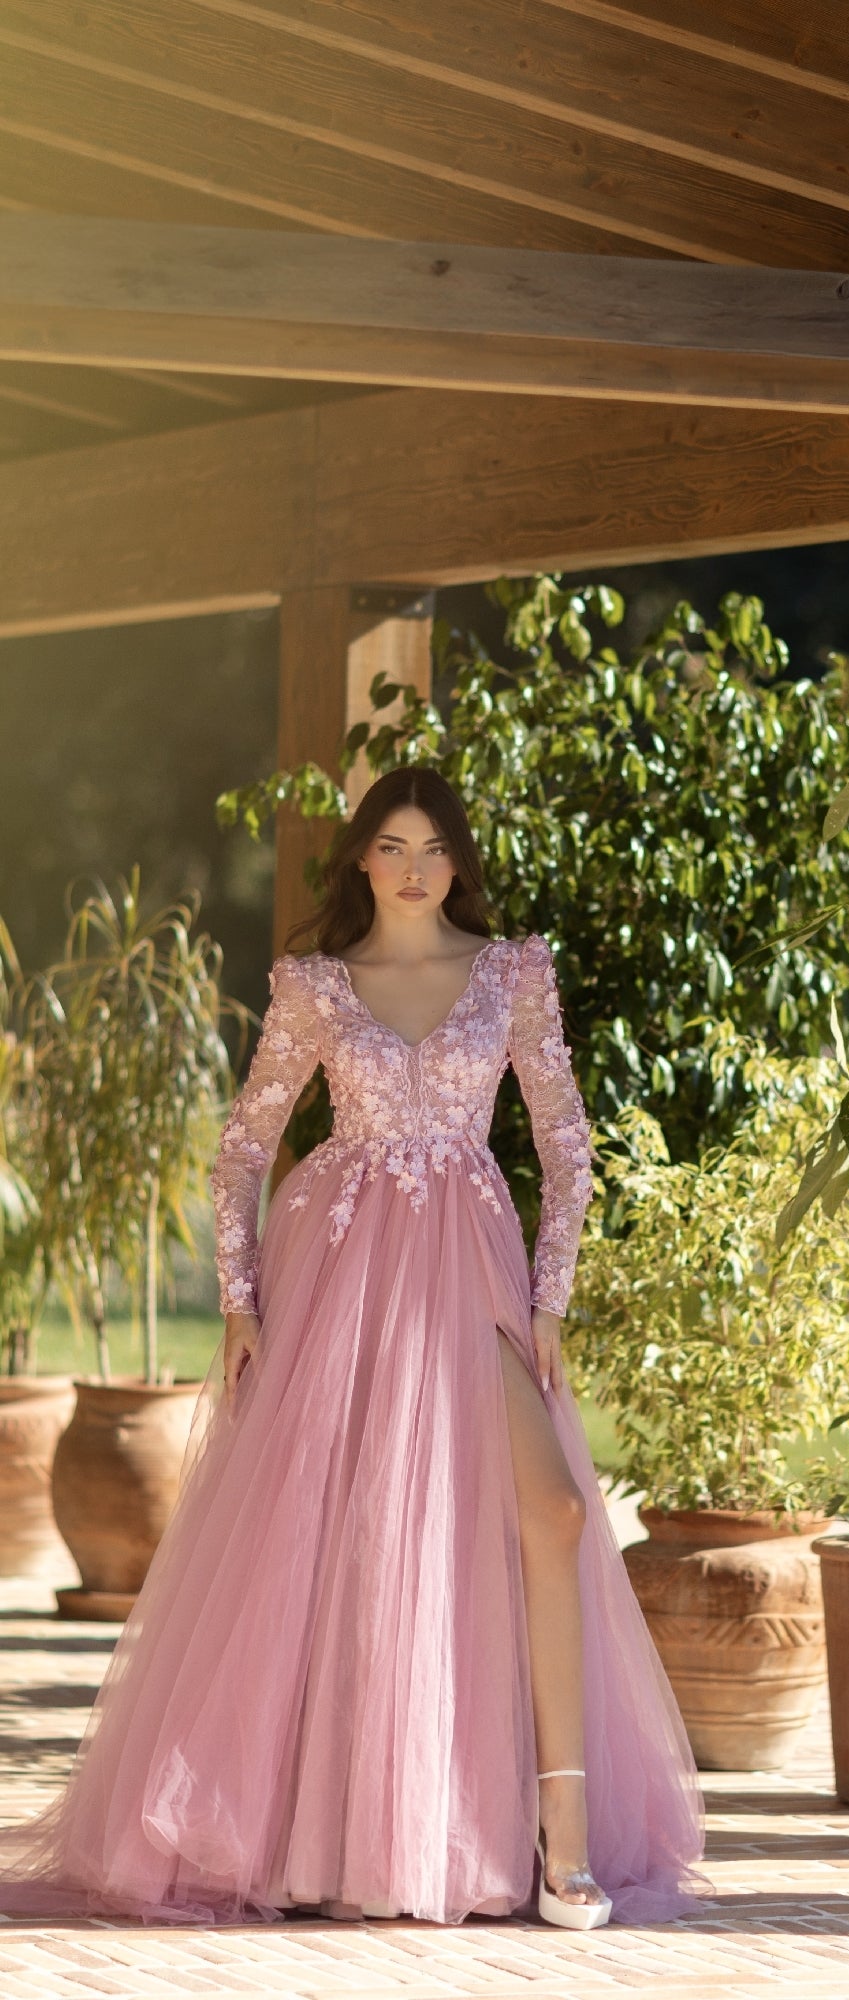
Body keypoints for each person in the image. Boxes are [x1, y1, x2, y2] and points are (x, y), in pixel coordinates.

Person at [0, 766, 711, 1930]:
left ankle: (564, 1834)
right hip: (342, 1282)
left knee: (557, 1512)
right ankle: (344, 1839)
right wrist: (238, 1300)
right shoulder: (318, 987)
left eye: (435, 845)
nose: (417, 865)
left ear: (458, 859)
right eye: (393, 844)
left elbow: (569, 1147)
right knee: (361, 1541)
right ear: (362, 861)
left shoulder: (511, 973)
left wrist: (550, 1302)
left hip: (475, 1281)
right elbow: (242, 1149)